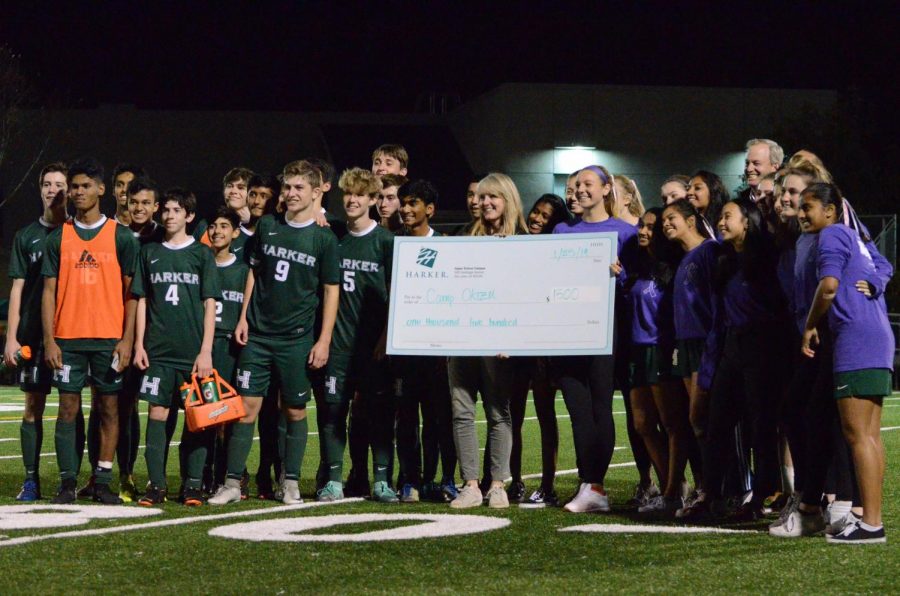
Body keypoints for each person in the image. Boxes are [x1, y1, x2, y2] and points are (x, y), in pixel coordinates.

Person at [208, 159, 339, 506]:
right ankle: (232, 482)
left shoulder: (324, 238)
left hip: (296, 339)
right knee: (245, 408)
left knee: (295, 410)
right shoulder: (267, 226)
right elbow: (254, 272)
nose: (292, 193)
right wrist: (244, 318)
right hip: (259, 337)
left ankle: (291, 481)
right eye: (288, 187)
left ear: (315, 192)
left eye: (299, 187)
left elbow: (330, 290)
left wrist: (323, 339)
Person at [799, 183, 894, 544]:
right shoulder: (856, 238)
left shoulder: (833, 234)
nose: (802, 213)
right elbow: (882, 266)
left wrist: (809, 326)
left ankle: (870, 524)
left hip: (855, 339)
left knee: (857, 435)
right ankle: (871, 519)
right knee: (868, 435)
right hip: (877, 336)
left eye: (809, 207)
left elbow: (828, 287)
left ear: (831, 210)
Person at [41, 157, 139, 504]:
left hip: (108, 340)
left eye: (85, 186)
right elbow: (49, 292)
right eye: (74, 187)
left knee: (109, 410)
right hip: (67, 339)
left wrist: (127, 340)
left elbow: (132, 294)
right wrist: (50, 339)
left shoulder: (122, 237)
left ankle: (102, 480)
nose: (78, 192)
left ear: (101, 189)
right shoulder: (59, 237)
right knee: (67, 409)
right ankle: (67, 482)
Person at [552, 165, 639, 513]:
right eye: (576, 186)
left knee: (600, 406)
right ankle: (589, 485)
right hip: (568, 329)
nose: (580, 191)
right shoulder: (561, 230)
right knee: (577, 409)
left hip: (605, 328)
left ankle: (595, 486)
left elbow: (634, 286)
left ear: (607, 189)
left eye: (588, 184)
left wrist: (619, 276)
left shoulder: (625, 232)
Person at [696, 199, 787, 520]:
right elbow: (720, 318)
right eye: (720, 217)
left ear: (747, 221)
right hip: (732, 347)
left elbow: (779, 309)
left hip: (762, 347)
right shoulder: (724, 260)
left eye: (727, 216)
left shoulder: (765, 258)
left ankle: (760, 497)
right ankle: (712, 495)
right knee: (716, 422)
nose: (721, 222)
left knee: (760, 427)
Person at [131, 188, 219, 506]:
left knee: (198, 416)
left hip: (193, 352)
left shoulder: (202, 254)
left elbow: (210, 305)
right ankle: (156, 485)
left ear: (189, 216)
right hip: (158, 351)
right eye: (166, 210)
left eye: (177, 210)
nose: (169, 215)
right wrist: (140, 344)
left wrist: (206, 350)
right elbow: (141, 301)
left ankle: (192, 485)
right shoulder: (149, 252)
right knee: (157, 412)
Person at [314, 168, 397, 503]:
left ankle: (381, 480)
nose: (352, 200)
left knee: (378, 414)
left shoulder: (386, 242)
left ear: (373, 200)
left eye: (360, 195)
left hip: (373, 349)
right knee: (333, 413)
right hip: (337, 345)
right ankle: (333, 480)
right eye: (348, 194)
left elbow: (399, 294)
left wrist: (384, 341)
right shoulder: (332, 236)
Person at [447, 173, 526, 510]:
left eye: (493, 196)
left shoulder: (525, 241)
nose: (485, 202)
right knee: (461, 410)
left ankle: (497, 484)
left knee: (498, 412)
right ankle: (470, 484)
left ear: (508, 199)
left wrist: (516, 336)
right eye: (481, 197)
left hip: (500, 343)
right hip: (462, 339)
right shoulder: (463, 236)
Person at [392, 180, 458, 502]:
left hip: (438, 350)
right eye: (403, 203)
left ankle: (443, 478)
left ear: (429, 210)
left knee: (439, 419)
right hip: (405, 349)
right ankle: (410, 479)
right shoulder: (395, 245)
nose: (405, 208)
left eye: (412, 203)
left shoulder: (445, 245)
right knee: (407, 418)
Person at [7, 162, 68, 501]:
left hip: (69, 335)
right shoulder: (26, 235)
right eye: (47, 183)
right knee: (33, 406)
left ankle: (67, 479)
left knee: (70, 406)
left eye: (59, 184)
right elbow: (17, 288)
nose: (52, 190)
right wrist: (12, 337)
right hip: (32, 336)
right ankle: (31, 480)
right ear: (40, 189)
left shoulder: (75, 233)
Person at [627, 208, 693, 516]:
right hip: (638, 350)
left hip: (661, 348)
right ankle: (674, 486)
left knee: (671, 423)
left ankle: (672, 491)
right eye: (642, 225)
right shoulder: (638, 265)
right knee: (642, 424)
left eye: (650, 227)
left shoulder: (671, 267)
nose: (643, 230)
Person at [507, 193, 567, 505]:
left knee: (545, 414)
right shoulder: (517, 243)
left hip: (542, 345)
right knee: (513, 415)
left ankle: (548, 484)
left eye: (545, 216)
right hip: (518, 344)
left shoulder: (557, 252)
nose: (536, 219)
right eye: (535, 212)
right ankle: (514, 481)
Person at [659, 199, 717, 514]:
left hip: (703, 344)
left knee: (701, 418)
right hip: (685, 344)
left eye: (672, 218)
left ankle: (713, 490)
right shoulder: (683, 259)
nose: (666, 224)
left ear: (691, 220)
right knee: (695, 421)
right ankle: (706, 488)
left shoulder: (708, 252)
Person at [205, 207, 250, 494]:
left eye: (224, 226)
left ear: (235, 232)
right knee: (208, 416)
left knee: (232, 417)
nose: (217, 231)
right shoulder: (200, 263)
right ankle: (202, 475)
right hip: (207, 349)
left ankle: (230, 474)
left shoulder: (244, 270)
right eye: (213, 225)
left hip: (233, 349)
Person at [686, 171, 727, 237]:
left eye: (697, 188)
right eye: (688, 188)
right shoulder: (689, 222)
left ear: (713, 191)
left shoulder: (725, 218)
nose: (689, 192)